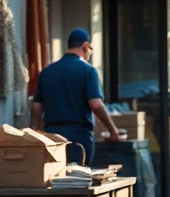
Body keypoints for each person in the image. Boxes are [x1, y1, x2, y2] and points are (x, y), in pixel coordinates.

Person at [30, 28, 126, 165]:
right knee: (77, 176)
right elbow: (96, 104)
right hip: (78, 138)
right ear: (86, 46)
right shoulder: (88, 70)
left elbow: (36, 106)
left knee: (53, 176)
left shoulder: (47, 72)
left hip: (51, 137)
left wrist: (38, 132)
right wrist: (113, 131)